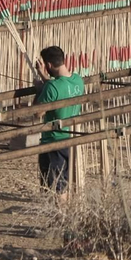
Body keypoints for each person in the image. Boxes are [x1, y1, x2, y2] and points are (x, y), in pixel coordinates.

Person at [34, 45, 85, 200]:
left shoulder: (51, 87)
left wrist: (40, 90)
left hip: (53, 140)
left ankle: (61, 216)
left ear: (48, 65)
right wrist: (45, 79)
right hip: (70, 138)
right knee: (63, 181)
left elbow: (37, 113)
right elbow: (59, 89)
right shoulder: (78, 80)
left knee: (56, 185)